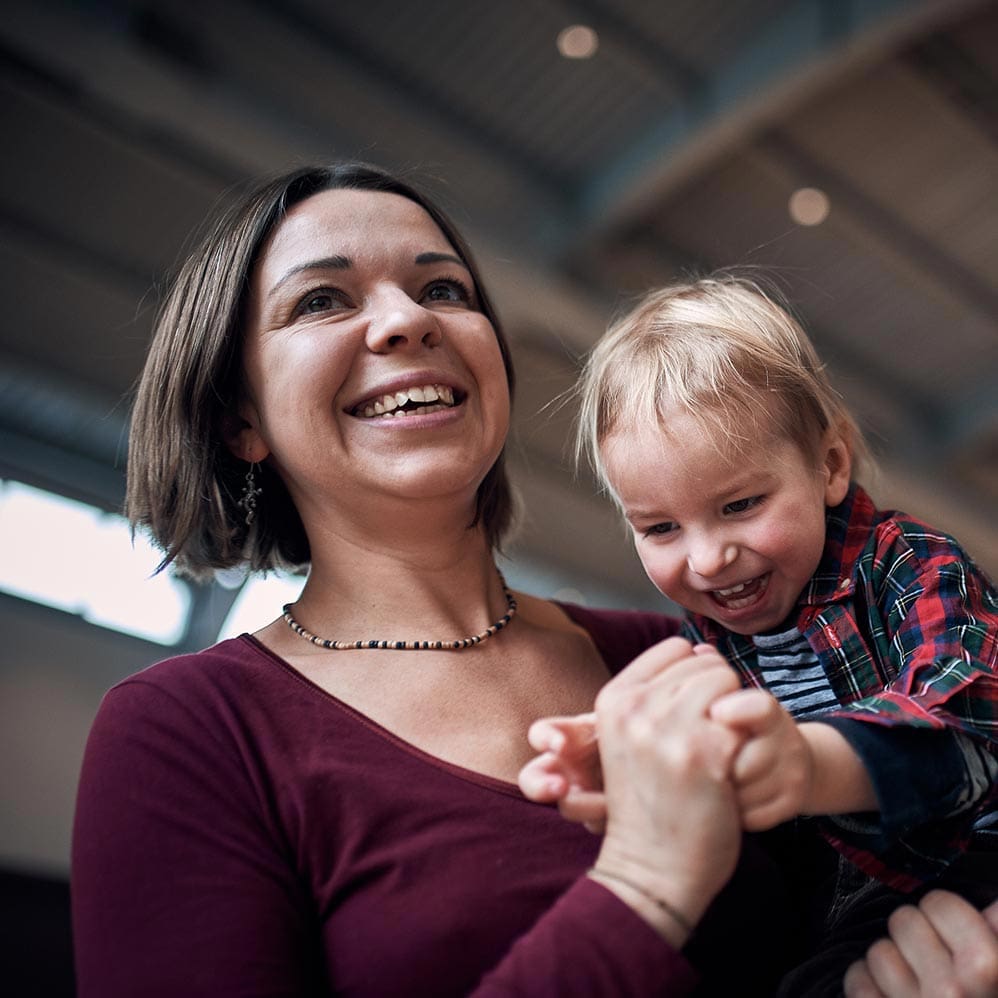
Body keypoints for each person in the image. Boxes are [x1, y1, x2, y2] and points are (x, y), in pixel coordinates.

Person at [70, 164, 995, 998]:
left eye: (443, 287)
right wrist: (641, 883)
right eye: (322, 301)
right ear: (241, 418)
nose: (407, 318)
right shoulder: (189, 733)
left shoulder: (685, 655)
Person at [518, 275, 998, 988]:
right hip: (860, 899)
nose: (709, 559)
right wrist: (616, 764)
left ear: (829, 466)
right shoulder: (700, 648)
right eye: (660, 527)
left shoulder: (909, 566)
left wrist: (802, 765)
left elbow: (968, 732)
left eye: (740, 504)